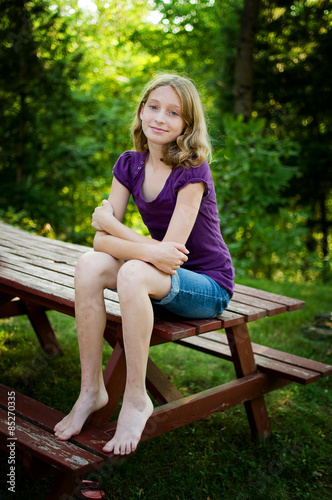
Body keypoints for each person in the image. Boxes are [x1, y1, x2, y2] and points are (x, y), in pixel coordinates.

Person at [54, 73, 235, 456]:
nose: (160, 117)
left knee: (133, 271)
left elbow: (172, 254)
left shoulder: (193, 170)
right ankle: (92, 389)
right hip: (163, 272)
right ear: (141, 111)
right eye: (153, 106)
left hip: (207, 284)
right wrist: (141, 246)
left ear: (187, 124)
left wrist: (114, 227)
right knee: (89, 264)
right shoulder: (129, 164)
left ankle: (136, 398)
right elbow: (101, 242)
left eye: (174, 112)